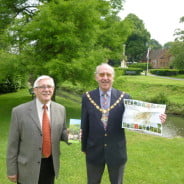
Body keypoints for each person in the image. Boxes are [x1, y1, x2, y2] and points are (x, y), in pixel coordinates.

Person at [81, 63, 166, 184]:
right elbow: (84, 123)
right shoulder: (87, 97)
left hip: (117, 153)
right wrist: (84, 147)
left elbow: (137, 120)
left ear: (113, 77)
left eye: (108, 74)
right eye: (101, 74)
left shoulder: (124, 97)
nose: (105, 77)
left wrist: (156, 119)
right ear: (96, 77)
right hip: (94, 151)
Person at [6, 75, 69, 184]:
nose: (46, 90)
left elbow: (62, 132)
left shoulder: (60, 109)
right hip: (27, 167)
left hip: (50, 165)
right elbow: (13, 144)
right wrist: (12, 170)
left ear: (53, 90)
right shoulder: (19, 112)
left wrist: (74, 135)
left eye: (49, 86)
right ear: (35, 90)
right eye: (42, 87)